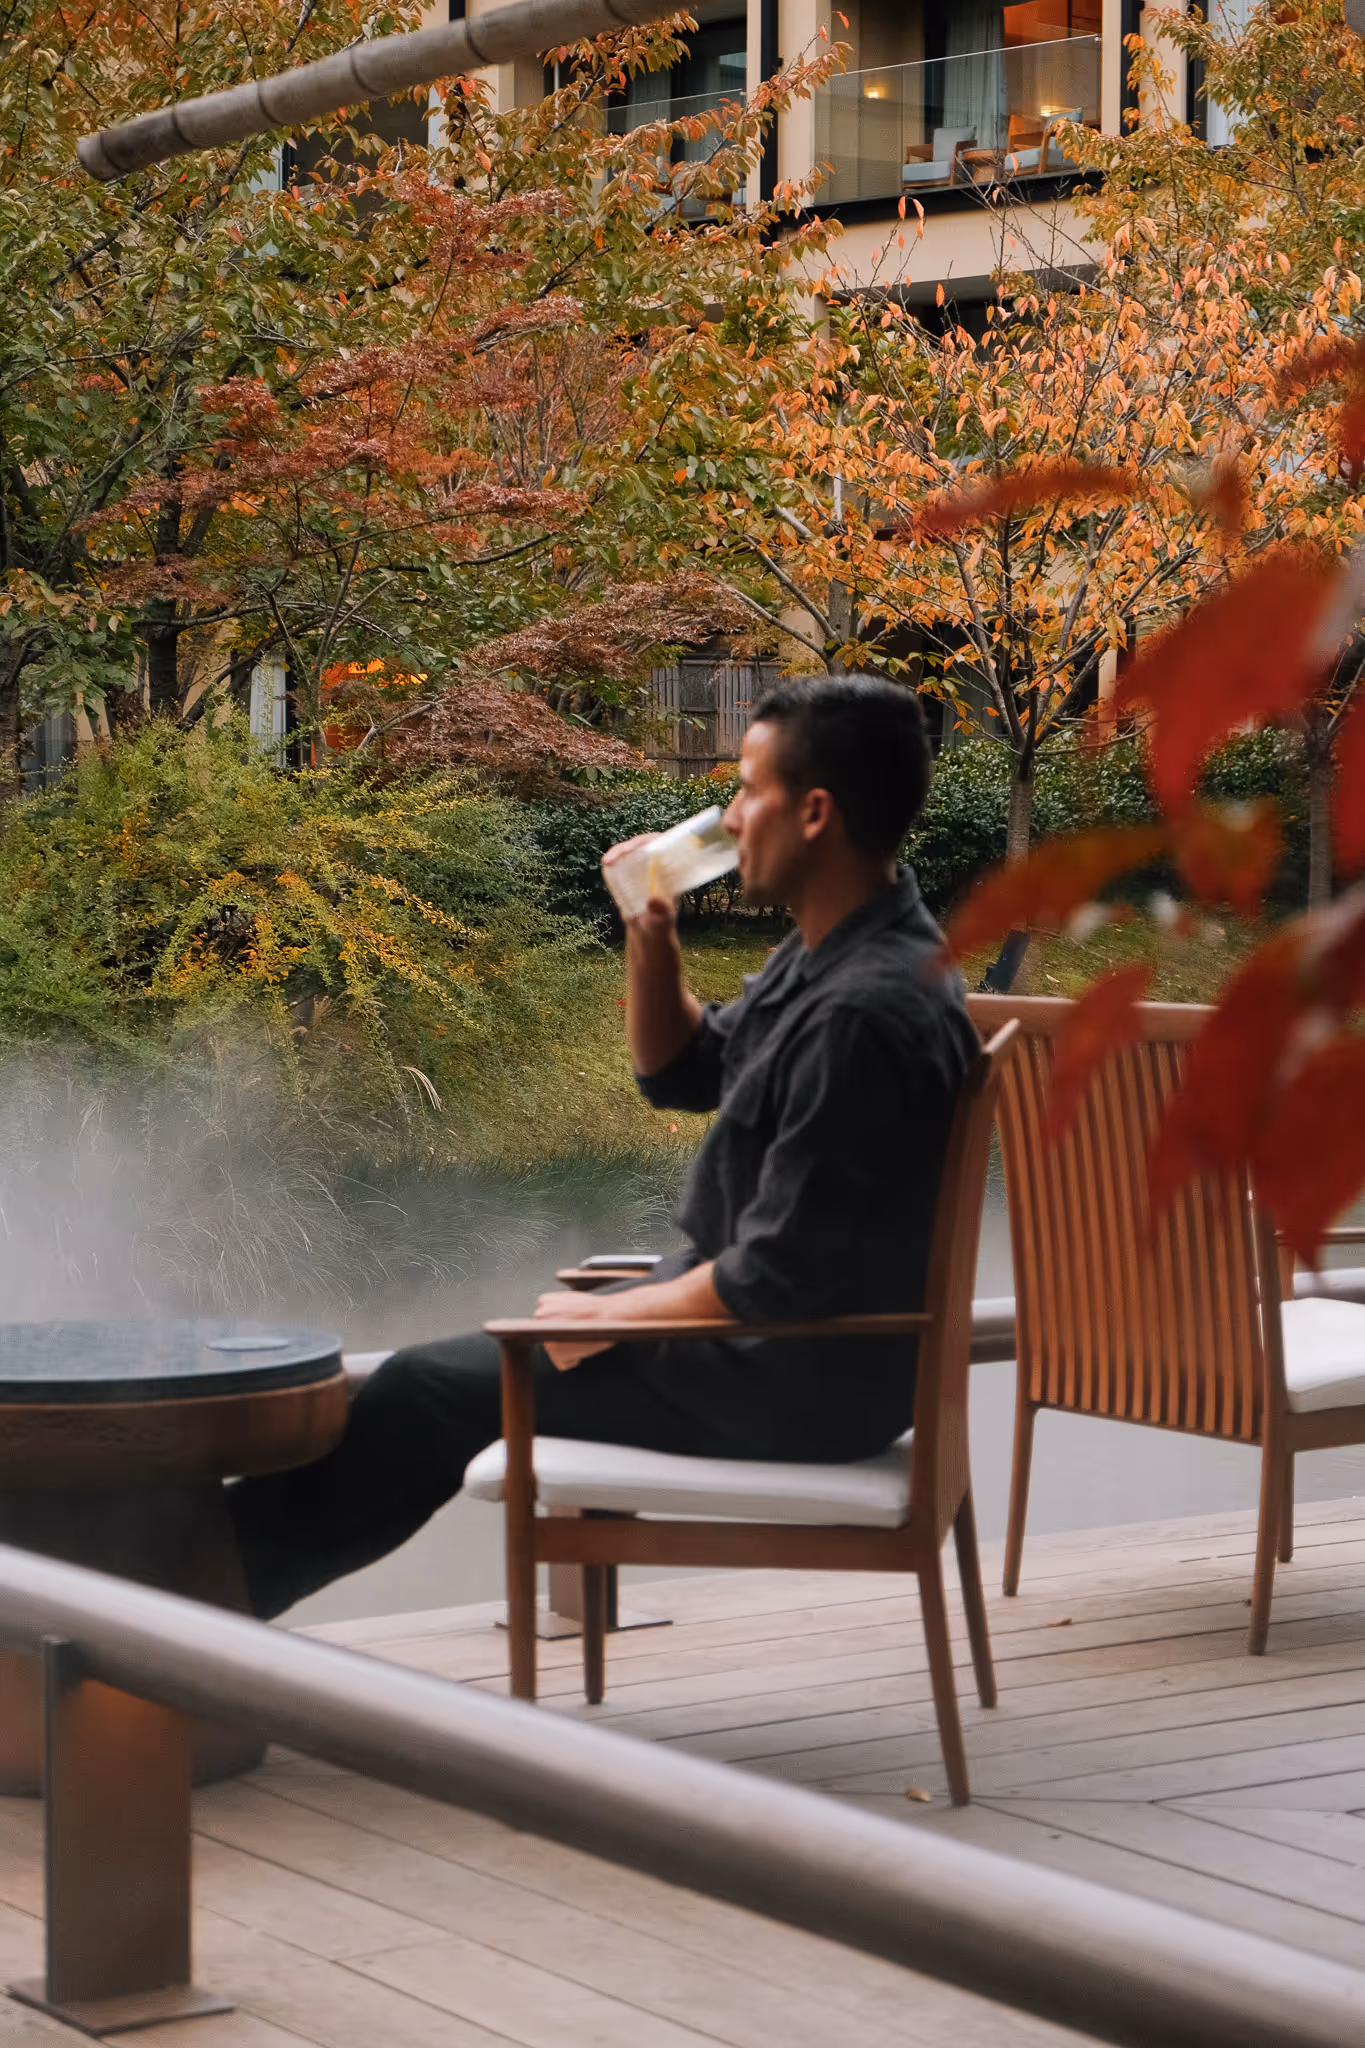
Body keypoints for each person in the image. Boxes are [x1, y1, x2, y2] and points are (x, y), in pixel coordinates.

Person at [229, 676, 977, 1618]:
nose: (726, 818)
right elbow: (681, 1072)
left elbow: (782, 1274)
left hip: (794, 1376)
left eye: (746, 791)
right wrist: (648, 932)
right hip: (768, 1345)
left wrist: (618, 1319)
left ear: (815, 812)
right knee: (445, 1375)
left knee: (424, 1391)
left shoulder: (867, 1009)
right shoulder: (836, 952)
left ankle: (190, 1606)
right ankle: (206, 1586)